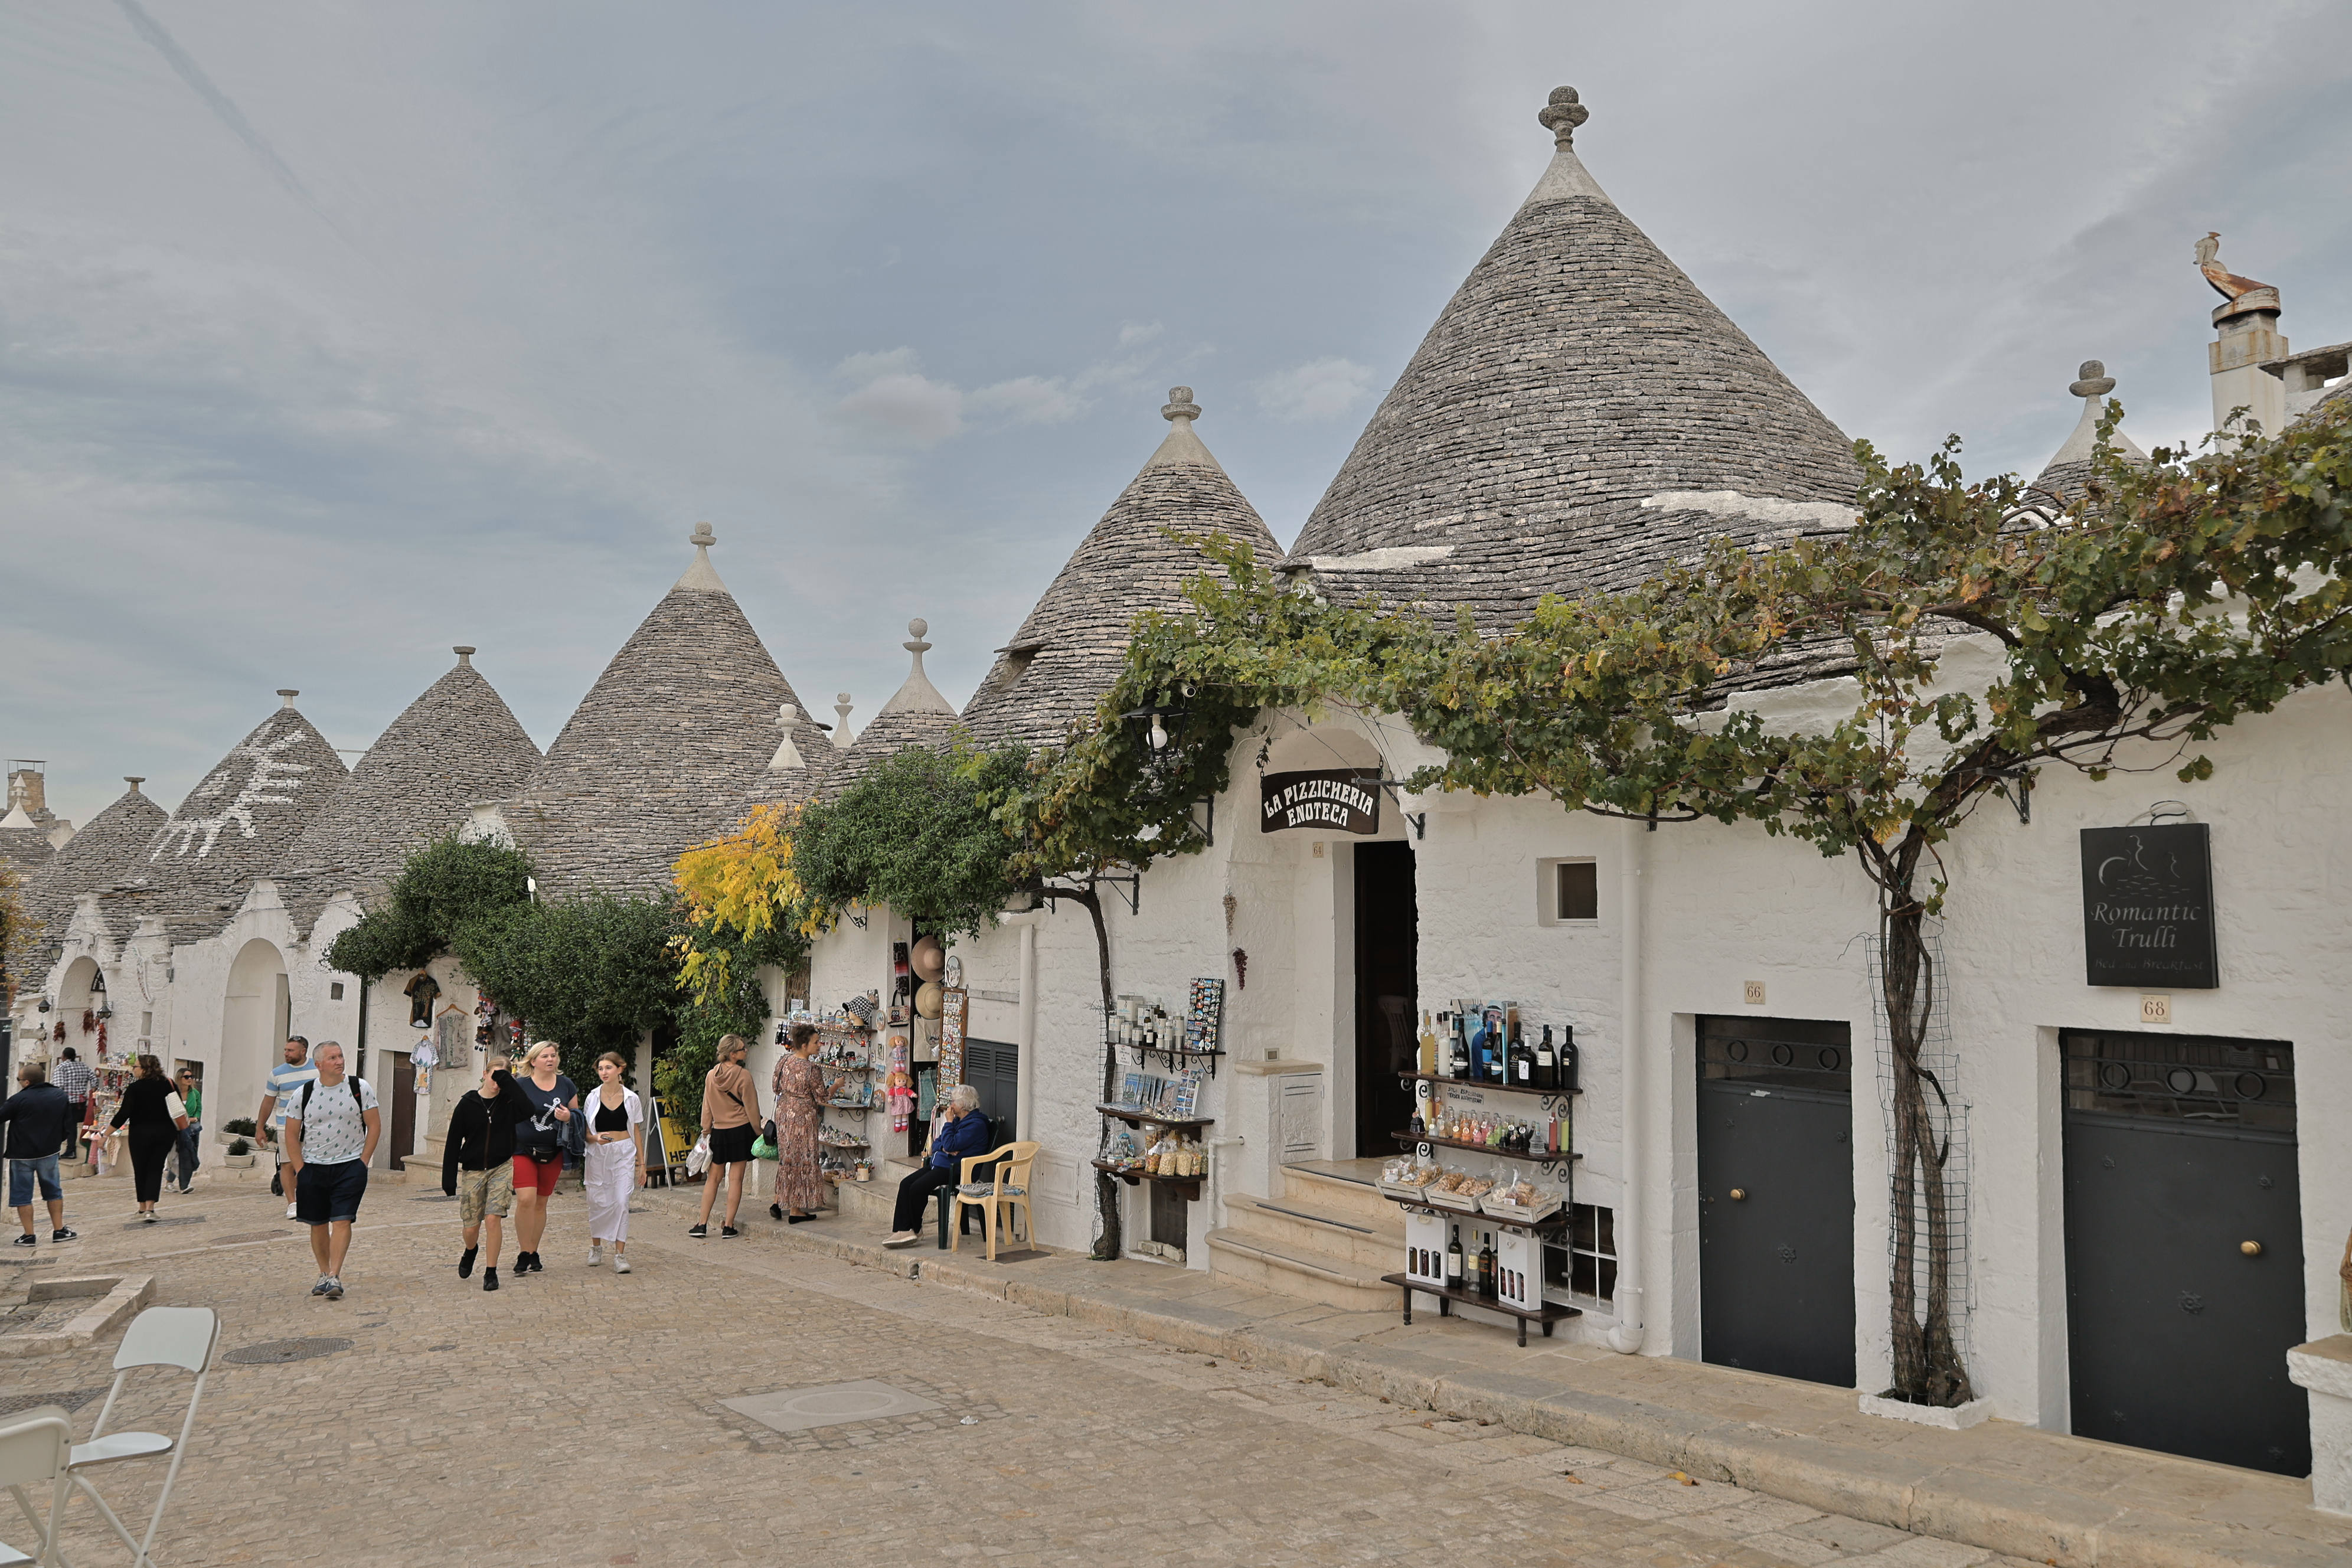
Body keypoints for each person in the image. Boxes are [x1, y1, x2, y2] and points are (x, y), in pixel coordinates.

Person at [283, 1041, 379, 1301]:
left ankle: (335, 1274)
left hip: (350, 1166)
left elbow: (374, 1126)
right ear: (319, 1065)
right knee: (318, 1224)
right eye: (333, 1058)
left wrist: (363, 1161)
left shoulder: (360, 1088)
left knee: (342, 1219)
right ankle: (324, 1273)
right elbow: (291, 1135)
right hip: (313, 1167)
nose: (339, 1061)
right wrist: (301, 1169)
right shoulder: (303, 1094)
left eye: (341, 1056)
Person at [442, 1057, 531, 1292]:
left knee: (493, 1219)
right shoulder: (468, 1103)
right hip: (473, 1171)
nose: (497, 1082)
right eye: (495, 1075)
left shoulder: (509, 1102)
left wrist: (509, 1083)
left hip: (501, 1166)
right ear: (485, 1073)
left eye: (504, 1077)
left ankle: (491, 1271)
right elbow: (453, 1142)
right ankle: (471, 1250)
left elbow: (528, 1109)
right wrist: (448, 1179)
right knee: (471, 1227)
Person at [881, 1083, 994, 1247]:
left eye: (954, 1101)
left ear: (963, 1104)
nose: (951, 1105)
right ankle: (902, 1230)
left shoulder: (975, 1125)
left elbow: (950, 1144)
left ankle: (913, 1228)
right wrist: (945, 1147)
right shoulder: (960, 1121)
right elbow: (938, 1143)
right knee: (906, 1184)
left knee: (918, 1188)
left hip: (958, 1170)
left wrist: (948, 1132)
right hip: (942, 1164)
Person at [505, 1041, 579, 1275]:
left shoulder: (566, 1085)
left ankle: (533, 1250)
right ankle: (524, 1252)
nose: (550, 1060)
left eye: (554, 1056)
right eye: (545, 1056)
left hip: (553, 1151)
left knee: (541, 1203)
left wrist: (568, 1116)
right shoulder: (521, 1085)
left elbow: (578, 1116)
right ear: (533, 1061)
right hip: (522, 1149)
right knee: (526, 1199)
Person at [691, 1034, 761, 1239]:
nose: (745, 1050)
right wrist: (758, 1132)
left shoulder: (711, 1076)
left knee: (713, 1179)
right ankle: (728, 1226)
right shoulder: (743, 1076)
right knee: (736, 1179)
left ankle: (702, 1223)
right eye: (742, 1049)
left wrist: (706, 1130)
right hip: (740, 1130)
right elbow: (752, 1108)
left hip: (719, 1131)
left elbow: (707, 1106)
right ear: (732, 1054)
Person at [0, 1061, 77, 1246]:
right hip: (49, 1153)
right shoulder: (60, 1096)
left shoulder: (18, 1100)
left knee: (22, 1195)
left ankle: (29, 1235)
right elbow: (69, 1124)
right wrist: (57, 1141)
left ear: (26, 1082)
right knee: (53, 1192)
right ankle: (59, 1231)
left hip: (22, 1155)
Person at [582, 1052, 645, 1272]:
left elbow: (636, 1130)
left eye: (608, 1068)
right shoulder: (592, 1097)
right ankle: (596, 1246)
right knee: (597, 1200)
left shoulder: (631, 1098)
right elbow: (587, 1131)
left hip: (624, 1153)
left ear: (620, 1069)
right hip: (598, 1154)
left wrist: (642, 1163)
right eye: (600, 1069)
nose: (604, 1073)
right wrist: (595, 1139)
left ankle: (620, 1254)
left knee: (621, 1202)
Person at [109, 1054, 189, 1222]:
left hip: (140, 1134)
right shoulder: (167, 1085)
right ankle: (150, 1209)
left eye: (136, 1067)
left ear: (145, 1069)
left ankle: (142, 1208)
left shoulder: (135, 1088)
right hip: (164, 1133)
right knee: (155, 1168)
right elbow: (177, 1105)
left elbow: (124, 1114)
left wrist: (106, 1133)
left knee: (141, 1169)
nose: (133, 1070)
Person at [257, 1035, 316, 1221]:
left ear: (303, 1051)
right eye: (286, 1050)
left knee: (312, 1164)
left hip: (315, 1125)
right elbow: (268, 1102)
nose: (286, 1054)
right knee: (288, 1164)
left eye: (291, 1050)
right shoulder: (277, 1074)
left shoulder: (318, 1069)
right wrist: (260, 1127)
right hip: (286, 1125)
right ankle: (293, 1203)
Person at [769, 1024, 824, 1224]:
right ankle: (795, 1209)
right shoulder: (812, 1069)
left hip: (784, 1115)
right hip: (803, 1118)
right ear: (804, 1045)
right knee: (803, 1160)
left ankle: (785, 1203)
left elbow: (775, 1087)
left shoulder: (783, 1061)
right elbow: (822, 1097)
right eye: (816, 1043)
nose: (819, 1046)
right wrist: (837, 1085)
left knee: (789, 1159)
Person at [50, 1047, 93, 1164]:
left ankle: (64, 1151)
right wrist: (92, 1091)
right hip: (81, 1102)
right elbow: (94, 1079)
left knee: (63, 1126)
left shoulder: (61, 1067)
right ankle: (70, 1150)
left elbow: (58, 1086)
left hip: (67, 1101)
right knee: (72, 1126)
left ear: (63, 1056)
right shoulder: (83, 1066)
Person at [168, 1068, 204, 1194]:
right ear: (180, 1078)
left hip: (192, 1128)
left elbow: (199, 1107)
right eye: (186, 1077)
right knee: (176, 1155)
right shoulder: (173, 1094)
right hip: (177, 1127)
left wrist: (196, 1117)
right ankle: (170, 1182)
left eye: (191, 1076)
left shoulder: (195, 1093)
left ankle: (185, 1184)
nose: (190, 1079)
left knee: (188, 1154)